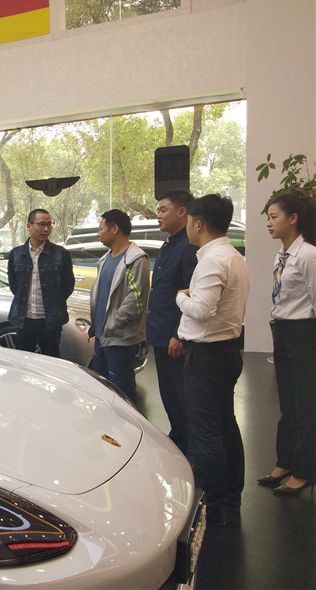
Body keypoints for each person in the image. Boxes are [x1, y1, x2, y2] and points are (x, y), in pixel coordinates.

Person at [176, 194, 249, 526]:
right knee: (225, 426)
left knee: (205, 433)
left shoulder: (212, 260)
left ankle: (212, 504)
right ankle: (230, 497)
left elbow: (202, 310)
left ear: (199, 224)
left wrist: (181, 296)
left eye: (189, 221)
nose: (187, 227)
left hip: (207, 356)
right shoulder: (233, 256)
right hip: (226, 352)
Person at [257, 193, 316, 496]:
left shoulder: (308, 255)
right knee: (288, 403)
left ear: (293, 218)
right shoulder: (282, 254)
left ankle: (305, 471)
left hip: (304, 333)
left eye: (274, 217)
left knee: (306, 404)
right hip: (283, 331)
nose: (269, 223)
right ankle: (286, 461)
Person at [146, 191, 199, 454]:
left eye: (163, 210)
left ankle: (187, 448)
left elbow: (190, 293)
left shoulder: (189, 247)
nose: (159, 215)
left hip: (174, 337)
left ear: (182, 212)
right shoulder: (169, 244)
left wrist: (179, 334)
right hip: (160, 332)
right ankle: (178, 440)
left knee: (180, 396)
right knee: (169, 394)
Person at [88, 209, 150, 405]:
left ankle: (128, 425)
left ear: (114, 229)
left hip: (119, 339)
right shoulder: (105, 259)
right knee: (100, 388)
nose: (98, 233)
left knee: (122, 391)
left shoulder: (135, 260)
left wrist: (114, 323)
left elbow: (136, 299)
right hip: (102, 337)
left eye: (101, 229)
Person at [7, 208, 75, 357]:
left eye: (49, 224)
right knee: (24, 360)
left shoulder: (60, 254)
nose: (46, 229)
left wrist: (55, 302)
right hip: (24, 319)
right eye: (41, 224)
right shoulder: (16, 254)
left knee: (51, 361)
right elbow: (14, 285)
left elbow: (68, 285)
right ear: (29, 226)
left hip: (49, 321)